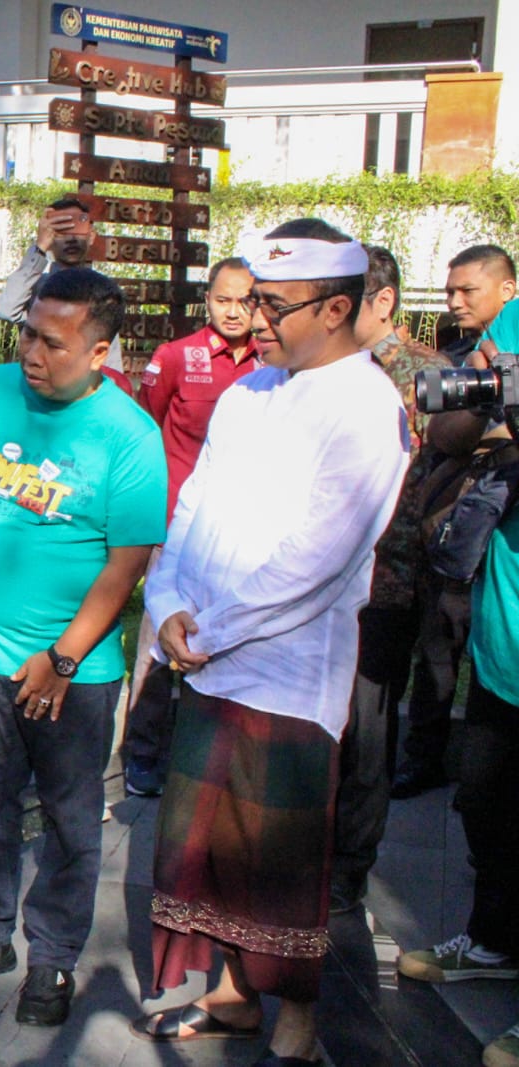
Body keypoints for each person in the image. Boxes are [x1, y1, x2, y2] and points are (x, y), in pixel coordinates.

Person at [132, 219, 408, 1066]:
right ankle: (233, 995)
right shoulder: (248, 392)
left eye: (274, 305)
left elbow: (319, 559)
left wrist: (210, 629)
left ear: (335, 309)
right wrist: (167, 603)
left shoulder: (367, 407)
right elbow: (193, 507)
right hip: (207, 658)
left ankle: (298, 1020)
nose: (255, 320)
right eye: (254, 300)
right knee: (210, 849)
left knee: (279, 859)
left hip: (285, 676)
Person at [0, 268, 164, 1027]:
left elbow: (127, 563)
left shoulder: (129, 435)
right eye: (28, 333)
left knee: (69, 816)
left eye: (53, 343)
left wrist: (62, 658)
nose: (32, 353)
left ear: (99, 352)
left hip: (75, 673)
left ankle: (52, 956)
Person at [398, 296, 519, 1067]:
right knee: (485, 800)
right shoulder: (514, 321)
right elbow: (444, 428)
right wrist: (491, 402)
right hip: (505, 644)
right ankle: (495, 941)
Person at [329, 244, 449, 914]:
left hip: (387, 584)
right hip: (323, 581)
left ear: (383, 302)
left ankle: (348, 864)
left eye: (347, 302)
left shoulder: (428, 377)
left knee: (367, 731)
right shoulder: (324, 371)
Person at [121, 256, 261, 798]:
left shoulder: (274, 363)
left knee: (228, 641)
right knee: (158, 645)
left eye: (246, 300)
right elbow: (145, 433)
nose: (234, 311)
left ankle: (213, 757)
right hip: (175, 529)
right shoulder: (177, 357)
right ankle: (141, 753)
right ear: (207, 301)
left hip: (241, 533)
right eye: (223, 300)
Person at [393, 243, 517, 799]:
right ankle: (429, 760)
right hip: (460, 540)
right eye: (449, 291)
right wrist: (489, 399)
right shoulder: (467, 357)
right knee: (440, 649)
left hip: (500, 542)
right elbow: (444, 435)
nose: (454, 301)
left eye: (468, 290)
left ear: (507, 290)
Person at [0, 194, 129, 385]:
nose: (71, 239)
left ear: (91, 236)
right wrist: (39, 248)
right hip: (41, 389)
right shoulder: (36, 288)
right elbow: (5, 309)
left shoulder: (103, 292)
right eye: (62, 231)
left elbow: (111, 363)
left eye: (78, 230)